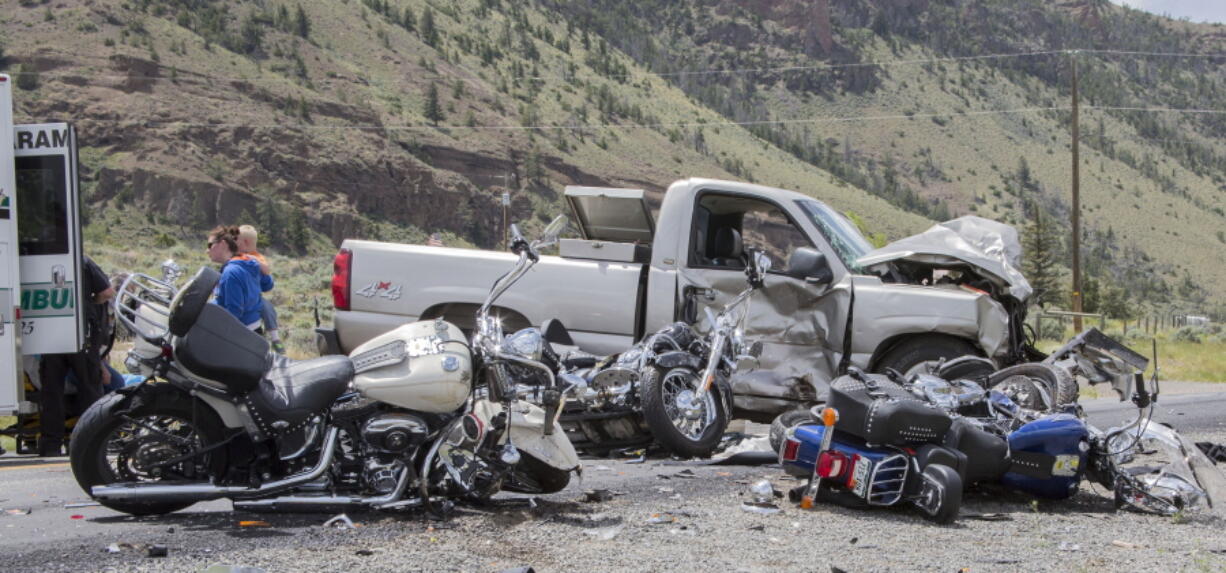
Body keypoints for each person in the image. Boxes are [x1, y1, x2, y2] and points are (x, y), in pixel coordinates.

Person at [37, 255, 114, 457]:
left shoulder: (38, 261)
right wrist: (90, 303)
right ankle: (89, 442)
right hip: (82, 332)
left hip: (51, 330)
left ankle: (50, 444)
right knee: (89, 388)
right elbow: (106, 292)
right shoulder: (83, 261)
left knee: (51, 390)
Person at [207, 225, 271, 330]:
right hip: (254, 329)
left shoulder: (231, 273)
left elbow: (233, 313)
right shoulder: (247, 263)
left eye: (210, 245)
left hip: (239, 336)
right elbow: (268, 283)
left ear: (223, 244)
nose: (207, 250)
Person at [237, 225, 284, 353]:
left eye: (236, 240)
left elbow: (267, 273)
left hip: (252, 297)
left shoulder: (256, 257)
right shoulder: (235, 257)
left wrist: (255, 263)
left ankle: (275, 338)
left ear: (245, 242)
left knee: (266, 307)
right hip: (239, 297)